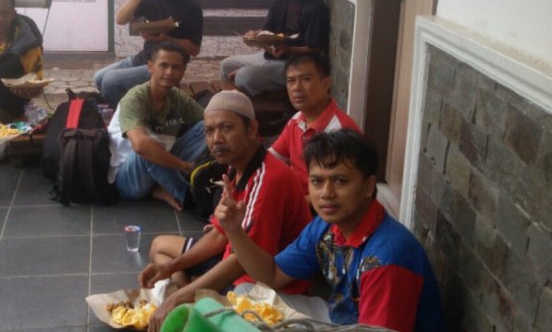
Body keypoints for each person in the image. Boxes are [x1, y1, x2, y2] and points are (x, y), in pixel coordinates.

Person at [216, 129, 445, 331]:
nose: (326, 193)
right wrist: (234, 231)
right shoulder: (327, 225)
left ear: (368, 186)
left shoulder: (386, 259)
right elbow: (271, 275)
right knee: (247, 294)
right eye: (317, 181)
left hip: (363, 327)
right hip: (341, 317)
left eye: (340, 181)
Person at [140, 91, 311, 332]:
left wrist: (176, 298)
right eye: (209, 131)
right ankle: (188, 294)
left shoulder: (269, 179)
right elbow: (220, 235)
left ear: (251, 129)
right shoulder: (236, 166)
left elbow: (242, 262)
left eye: (227, 128)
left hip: (261, 285)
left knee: (180, 296)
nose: (216, 139)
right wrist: (172, 268)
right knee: (160, 248)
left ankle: (187, 298)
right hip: (233, 258)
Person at [95, 0, 204, 106]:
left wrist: (166, 39)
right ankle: (135, 106)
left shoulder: (191, 7)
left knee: (110, 81)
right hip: (145, 57)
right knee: (99, 77)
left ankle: (132, 115)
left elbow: (194, 49)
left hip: (168, 66)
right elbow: (120, 19)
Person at [108, 42, 206, 211]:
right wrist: (183, 166)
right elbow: (141, 146)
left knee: (208, 127)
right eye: (163, 65)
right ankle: (194, 200)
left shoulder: (178, 98)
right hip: (130, 179)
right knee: (149, 147)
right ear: (150, 67)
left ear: (183, 70)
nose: (169, 72)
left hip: (165, 162)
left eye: (176, 67)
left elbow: (210, 121)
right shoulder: (134, 99)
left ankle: (161, 187)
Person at [220, 0, 329, 95]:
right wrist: (254, 36)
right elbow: (265, 32)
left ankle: (247, 106)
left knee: (243, 76)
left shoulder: (314, 6)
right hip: (269, 57)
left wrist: (288, 49)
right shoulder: (280, 1)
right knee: (226, 65)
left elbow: (315, 49)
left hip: (294, 65)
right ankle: (230, 103)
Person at [269, 52, 360, 192]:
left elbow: (337, 193)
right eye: (291, 81)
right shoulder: (297, 120)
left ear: (326, 84)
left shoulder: (339, 131)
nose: (296, 88)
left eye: (305, 79)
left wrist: (289, 200)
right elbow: (270, 160)